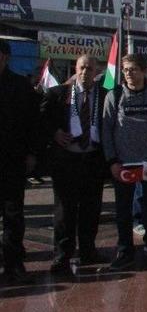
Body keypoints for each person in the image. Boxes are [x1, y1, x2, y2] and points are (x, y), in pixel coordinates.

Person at [101, 54, 147, 271]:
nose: (129, 74)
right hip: (123, 165)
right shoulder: (114, 96)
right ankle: (125, 252)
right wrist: (112, 161)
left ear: (144, 71)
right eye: (125, 70)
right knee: (123, 211)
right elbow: (107, 131)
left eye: (133, 69)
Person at [41, 55, 108, 274]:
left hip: (93, 160)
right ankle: (62, 256)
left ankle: (88, 250)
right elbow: (41, 119)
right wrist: (53, 133)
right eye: (81, 68)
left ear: (96, 71)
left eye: (89, 68)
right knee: (65, 211)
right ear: (76, 69)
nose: (85, 72)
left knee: (91, 208)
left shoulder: (105, 96)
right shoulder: (58, 94)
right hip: (66, 161)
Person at [0, 39, 39, 283]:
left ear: (4, 57)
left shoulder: (20, 86)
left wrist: (32, 153)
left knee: (13, 214)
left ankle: (13, 264)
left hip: (12, 159)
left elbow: (33, 123)